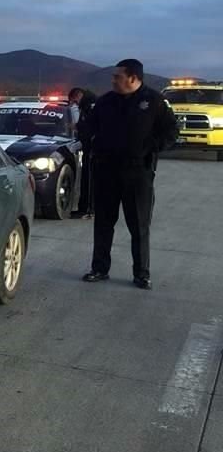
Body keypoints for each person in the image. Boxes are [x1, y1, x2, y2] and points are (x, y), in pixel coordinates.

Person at [79, 59, 177, 289]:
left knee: (139, 225)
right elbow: (88, 127)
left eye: (117, 76)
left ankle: (141, 273)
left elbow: (171, 132)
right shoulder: (105, 102)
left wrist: (150, 148)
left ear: (133, 78)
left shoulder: (154, 101)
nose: (113, 80)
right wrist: (92, 141)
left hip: (137, 173)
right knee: (103, 223)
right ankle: (99, 268)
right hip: (106, 171)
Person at [73, 88, 97, 219]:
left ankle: (87, 210)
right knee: (87, 180)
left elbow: (91, 127)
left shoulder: (90, 107)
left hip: (92, 149)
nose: (75, 104)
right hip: (89, 148)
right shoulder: (87, 106)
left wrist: (78, 128)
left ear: (79, 95)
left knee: (89, 180)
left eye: (75, 101)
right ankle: (87, 208)